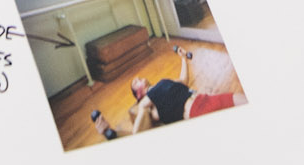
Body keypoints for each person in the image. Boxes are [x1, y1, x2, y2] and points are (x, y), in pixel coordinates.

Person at [102, 46, 242, 137]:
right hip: (196, 110)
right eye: (135, 82)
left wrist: (182, 58)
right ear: (139, 94)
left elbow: (183, 80)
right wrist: (118, 134)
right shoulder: (148, 105)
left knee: (245, 99)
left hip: (205, 99)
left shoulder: (162, 85)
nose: (138, 78)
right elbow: (144, 112)